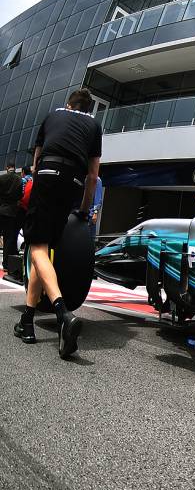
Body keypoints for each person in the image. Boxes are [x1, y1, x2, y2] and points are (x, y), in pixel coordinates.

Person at [14, 88, 101, 358]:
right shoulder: (94, 125)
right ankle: (27, 322)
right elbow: (93, 176)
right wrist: (85, 210)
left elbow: (36, 160)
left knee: (37, 247)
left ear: (68, 104)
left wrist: (37, 184)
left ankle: (63, 313)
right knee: (45, 250)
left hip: (49, 172)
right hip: (73, 182)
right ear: (88, 109)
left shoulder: (52, 115)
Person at [0, 160, 22, 275]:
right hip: (11, 212)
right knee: (8, 239)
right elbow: (20, 195)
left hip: (1, 210)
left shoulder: (2, 178)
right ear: (14, 167)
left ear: (7, 167)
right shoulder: (19, 179)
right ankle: (6, 265)